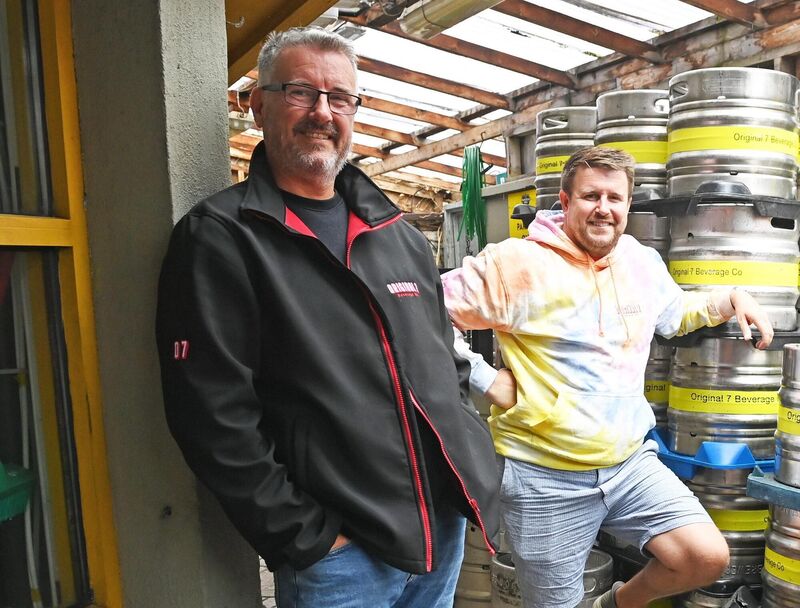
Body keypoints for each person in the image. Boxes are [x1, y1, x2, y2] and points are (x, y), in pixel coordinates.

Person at [155, 27, 500, 608]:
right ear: (258, 105)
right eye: (300, 92)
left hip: (440, 535)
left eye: (340, 97)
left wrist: (470, 463)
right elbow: (210, 412)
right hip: (341, 561)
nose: (322, 112)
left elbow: (445, 361)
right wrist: (307, 538)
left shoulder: (397, 234)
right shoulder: (222, 237)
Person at [442, 146, 774, 608]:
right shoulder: (514, 263)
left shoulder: (640, 260)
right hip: (545, 475)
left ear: (628, 204)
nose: (604, 208)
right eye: (590, 196)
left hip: (629, 463)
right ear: (565, 201)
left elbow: (675, 314)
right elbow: (423, 311)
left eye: (615, 198)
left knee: (703, 556)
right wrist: (482, 378)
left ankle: (614, 604)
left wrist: (730, 299)